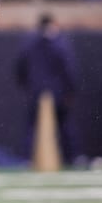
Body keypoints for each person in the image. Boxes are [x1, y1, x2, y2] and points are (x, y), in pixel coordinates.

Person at [14, 13, 83, 166]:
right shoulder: (60, 44)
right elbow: (69, 68)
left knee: (31, 126)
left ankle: (26, 159)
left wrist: (25, 85)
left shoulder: (29, 43)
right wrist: (70, 90)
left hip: (35, 91)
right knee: (65, 125)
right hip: (58, 92)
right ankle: (73, 157)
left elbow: (20, 67)